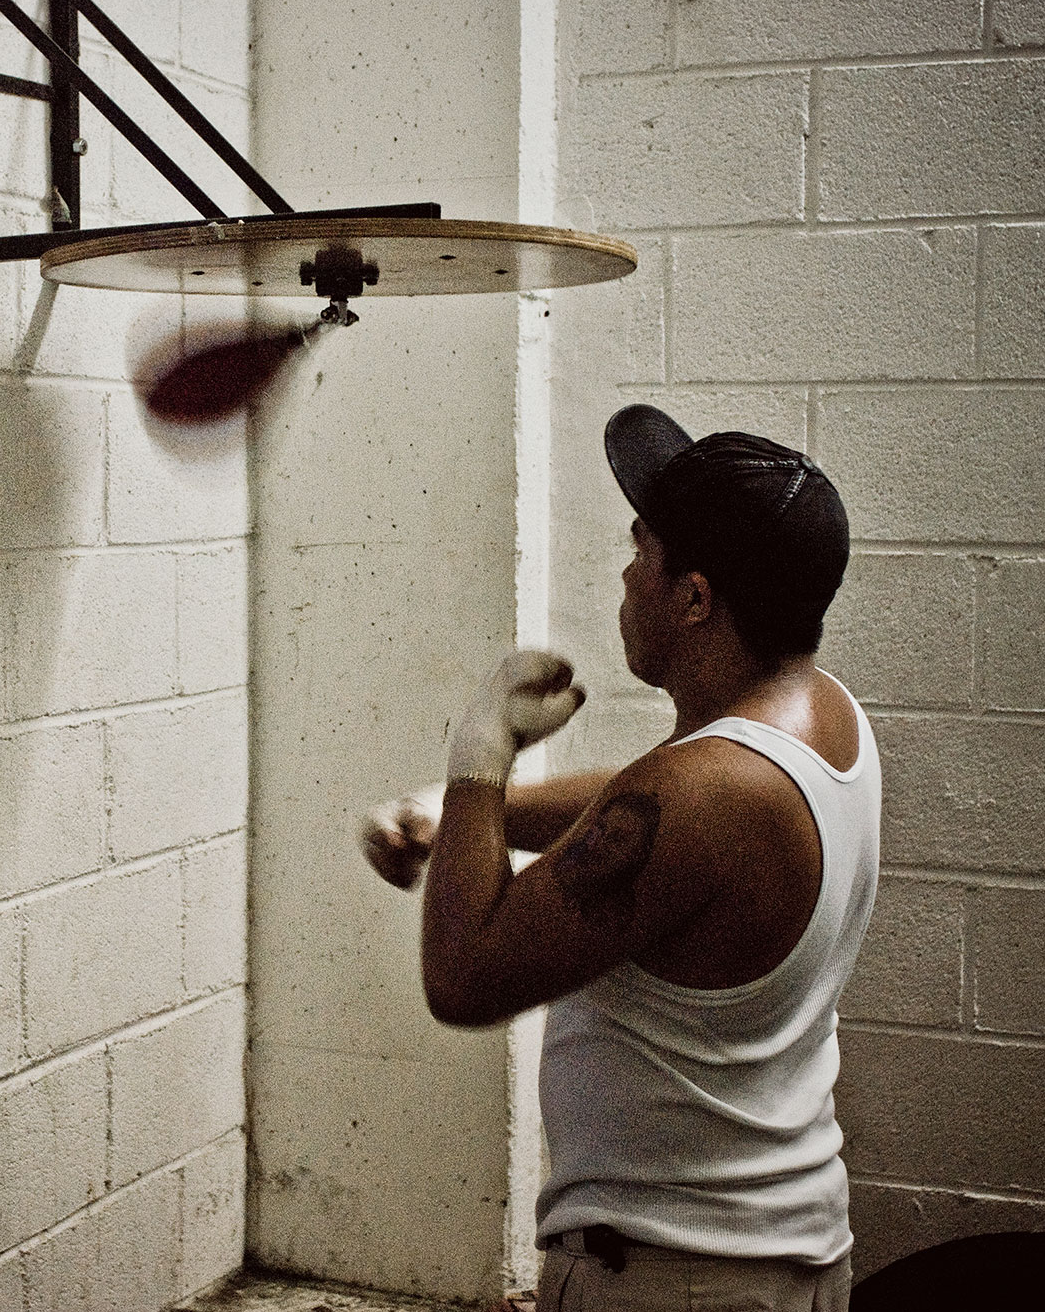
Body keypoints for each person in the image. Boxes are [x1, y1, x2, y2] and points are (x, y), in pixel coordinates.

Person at [360, 405, 877, 1312]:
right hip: (771, 1257)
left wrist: (477, 756)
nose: (626, 573)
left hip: (675, 1279)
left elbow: (464, 975)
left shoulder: (701, 796)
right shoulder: (819, 715)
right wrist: (462, 818)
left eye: (644, 550)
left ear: (693, 598)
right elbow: (643, 809)